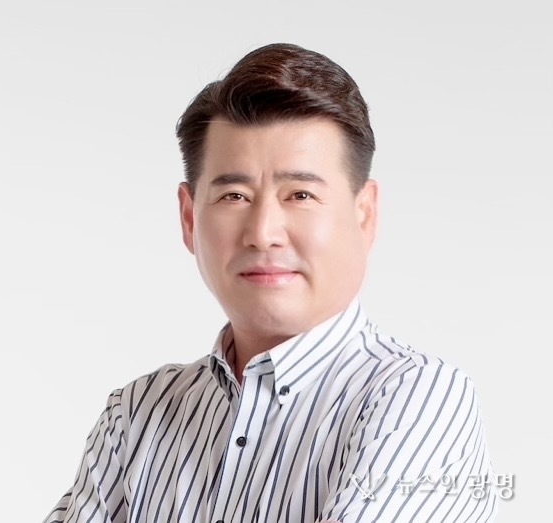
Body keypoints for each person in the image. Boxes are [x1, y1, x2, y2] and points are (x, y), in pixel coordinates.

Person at [44, 43, 499, 523]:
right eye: (234, 195)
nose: (263, 233)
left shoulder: (419, 397)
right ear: (189, 218)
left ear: (364, 215)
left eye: (300, 194)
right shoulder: (138, 414)